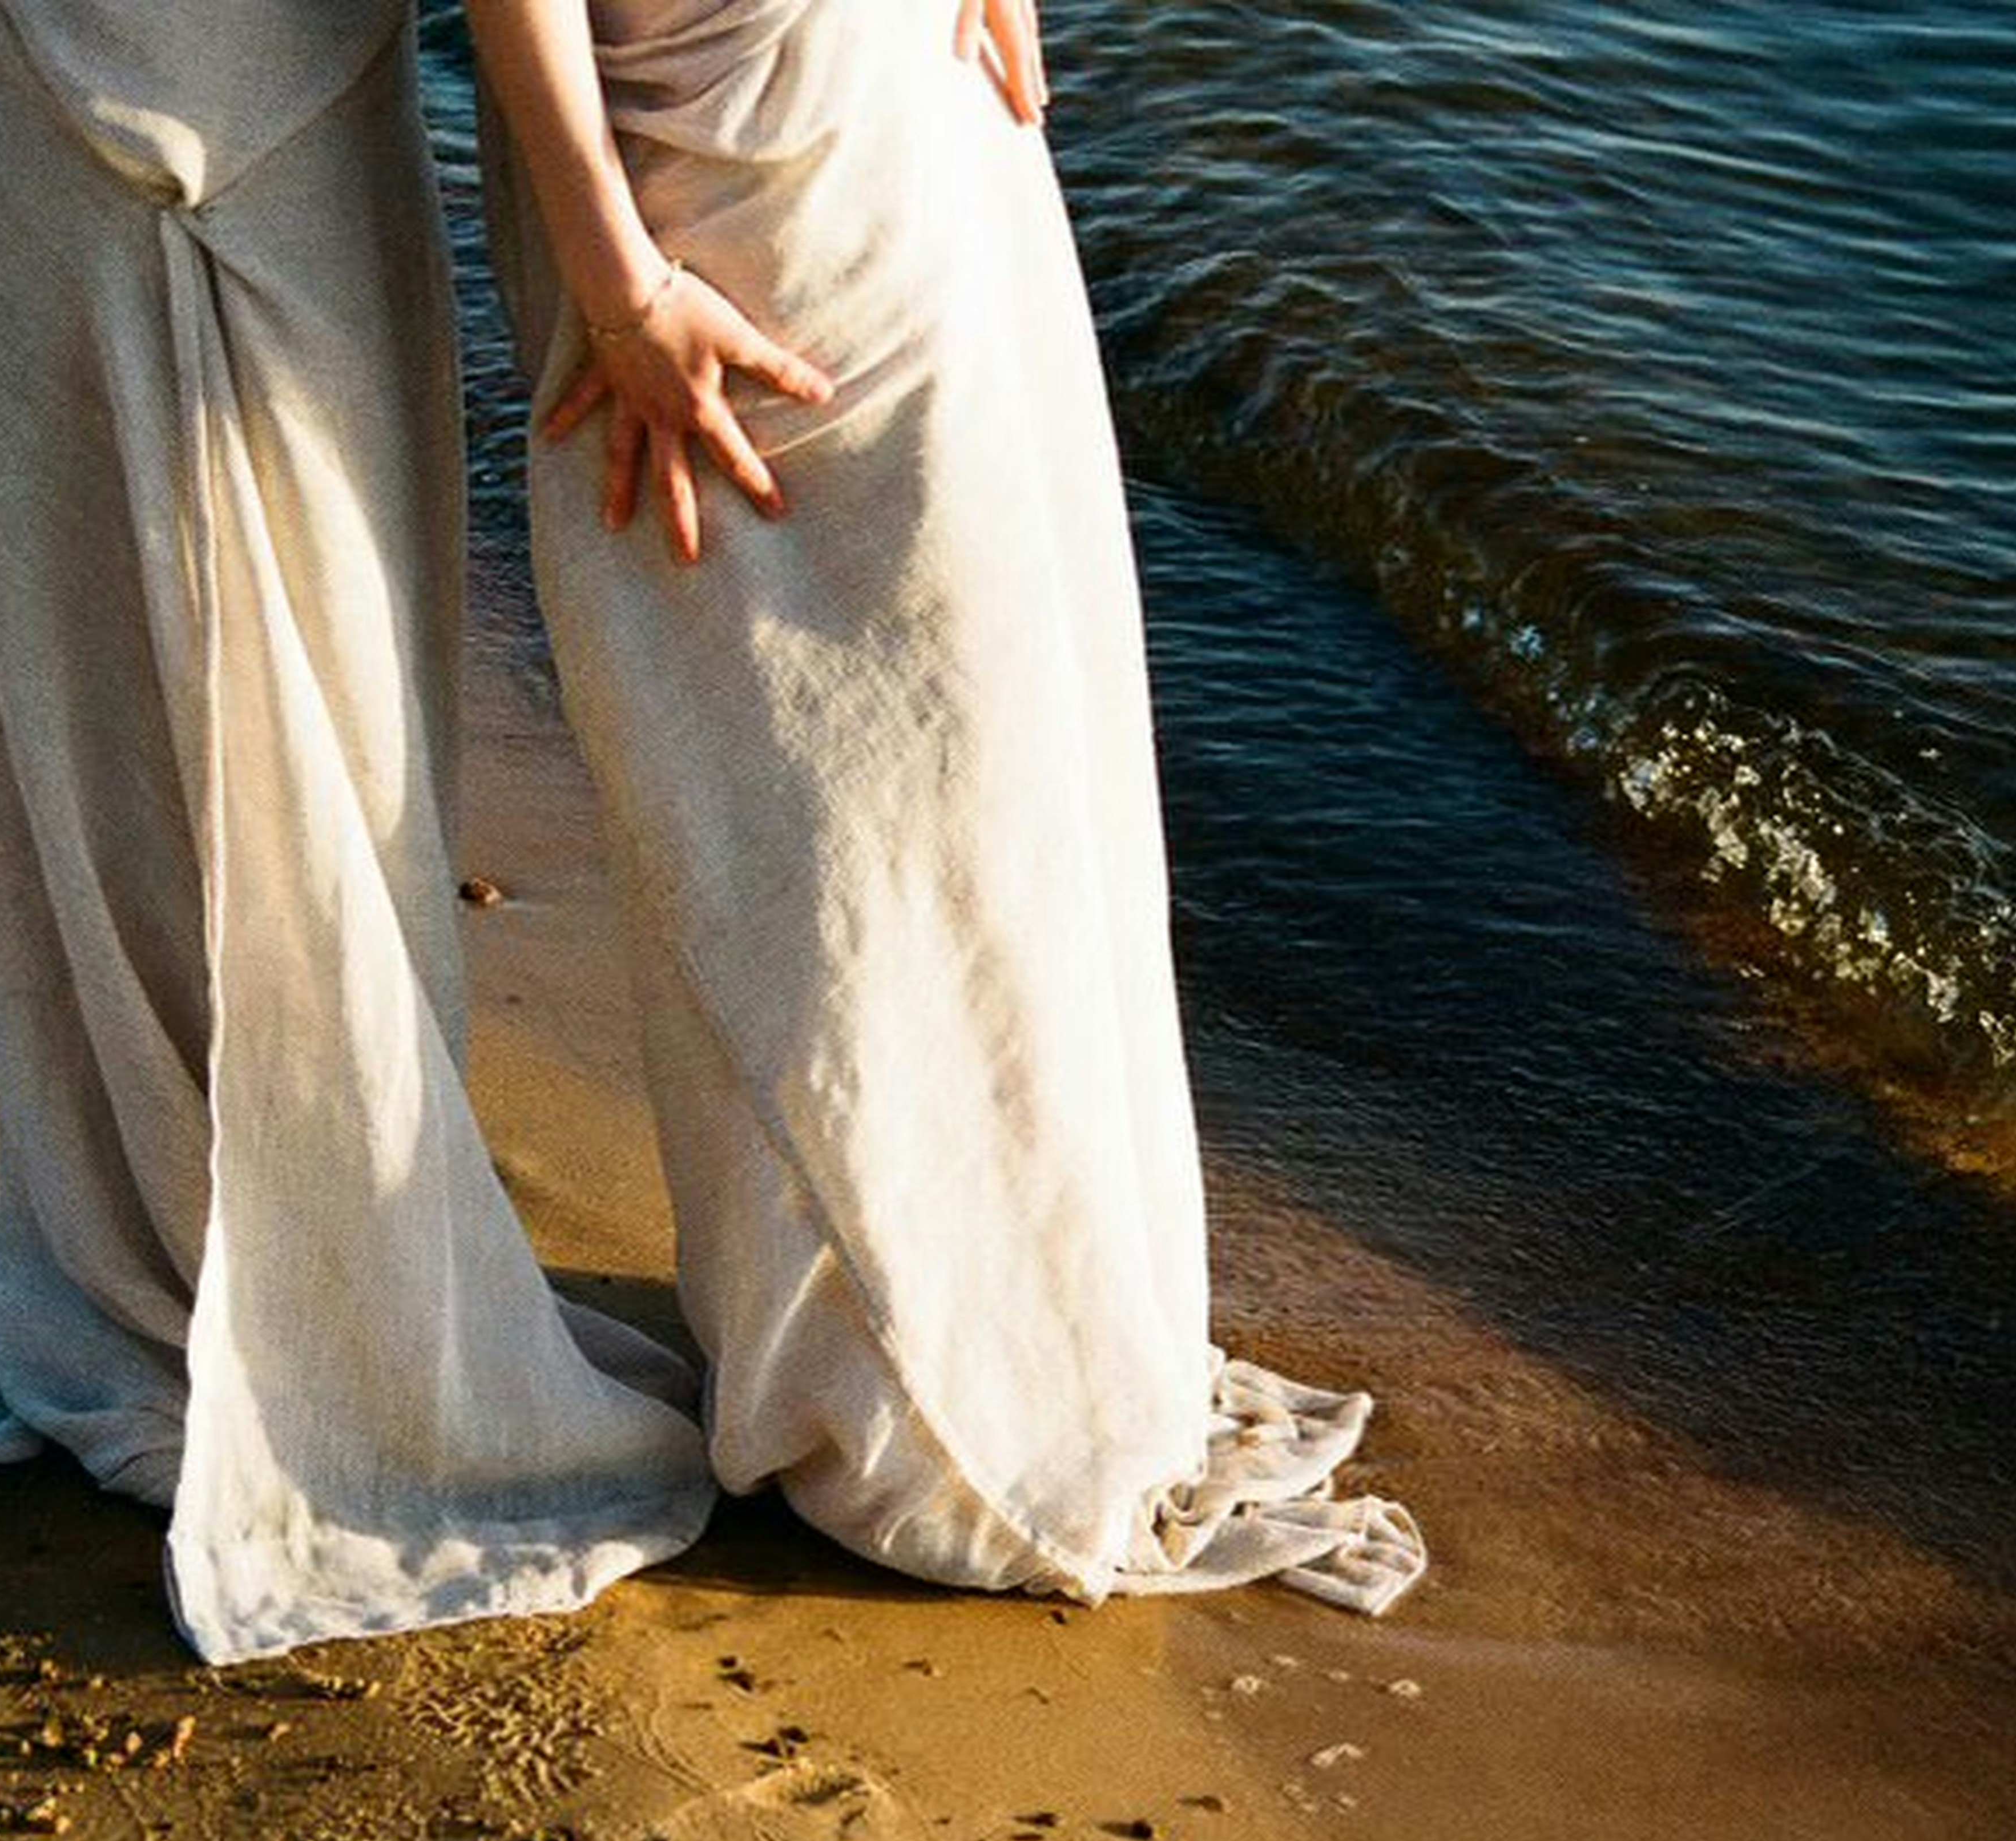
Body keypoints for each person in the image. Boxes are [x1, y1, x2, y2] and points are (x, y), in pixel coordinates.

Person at [0, 0, 719, 1664]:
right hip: (151, 74)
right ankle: (261, 1235)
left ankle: (200, 1213)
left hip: (82, 68)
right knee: (232, 575)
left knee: (138, 570)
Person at [468, 0, 1421, 1611]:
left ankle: (979, 1349)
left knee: (956, 761)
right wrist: (619, 278)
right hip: (732, 146)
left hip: (864, 125)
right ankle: (903, 1365)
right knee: (833, 784)